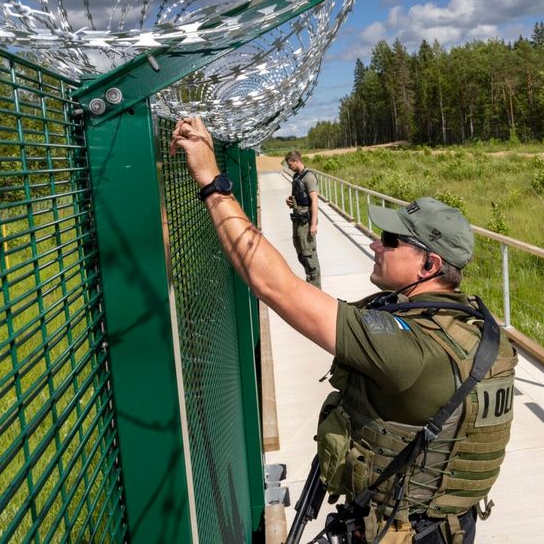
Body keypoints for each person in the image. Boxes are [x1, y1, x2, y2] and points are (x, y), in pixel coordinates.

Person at [170, 116, 516, 544]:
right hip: (444, 527)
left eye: (390, 241)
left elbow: (273, 284)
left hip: (399, 532)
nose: (375, 243)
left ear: (429, 265)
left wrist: (211, 181)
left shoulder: (408, 349)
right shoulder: (471, 326)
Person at [284, 150, 322, 288]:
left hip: (306, 223)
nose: (289, 167)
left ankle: (316, 288)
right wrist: (290, 202)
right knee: (301, 253)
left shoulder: (309, 177)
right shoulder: (297, 177)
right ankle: (310, 281)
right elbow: (300, 198)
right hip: (297, 220)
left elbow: (314, 201)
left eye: (290, 164)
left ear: (296, 161)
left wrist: (313, 224)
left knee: (309, 255)